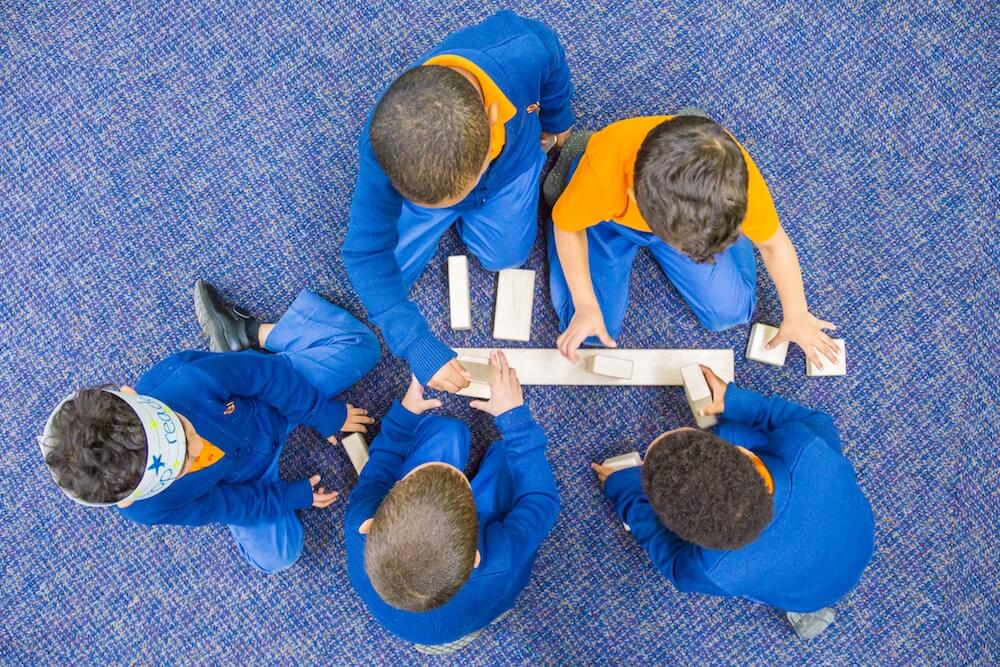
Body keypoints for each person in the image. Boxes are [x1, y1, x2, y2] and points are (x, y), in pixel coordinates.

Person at [38, 281, 381, 573]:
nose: (201, 449)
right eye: (182, 466)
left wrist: (321, 413)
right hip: (248, 478)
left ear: (132, 395)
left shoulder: (188, 378)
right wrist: (287, 497)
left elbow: (269, 377)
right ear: (129, 501)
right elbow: (224, 503)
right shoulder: (147, 506)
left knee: (361, 346)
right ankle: (233, 351)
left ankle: (247, 333)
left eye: (184, 432)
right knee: (278, 557)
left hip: (267, 404)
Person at [343, 10, 574, 394]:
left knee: (506, 259)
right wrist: (412, 339)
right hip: (443, 187)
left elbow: (553, 65)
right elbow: (363, 253)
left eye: (462, 192)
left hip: (509, 173)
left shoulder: (523, 47)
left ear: (492, 117)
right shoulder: (381, 147)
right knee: (385, 281)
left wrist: (558, 120)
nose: (459, 204)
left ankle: (457, 201)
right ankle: (435, 205)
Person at [592, 366, 874, 639]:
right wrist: (736, 401)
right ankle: (808, 607)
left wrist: (626, 491)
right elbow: (816, 419)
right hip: (858, 539)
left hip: (806, 595)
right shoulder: (806, 447)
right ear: (747, 455)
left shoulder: (712, 568)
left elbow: (672, 558)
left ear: (685, 534)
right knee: (735, 429)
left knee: (785, 585)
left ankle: (807, 612)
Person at [547, 113, 841, 371]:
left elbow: (775, 245)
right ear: (636, 198)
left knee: (731, 313)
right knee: (591, 334)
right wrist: (585, 305)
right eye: (687, 247)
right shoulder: (604, 173)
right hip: (609, 220)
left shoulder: (736, 188)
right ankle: (574, 163)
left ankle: (691, 128)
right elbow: (567, 228)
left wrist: (797, 313)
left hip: (673, 213)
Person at [345, 351, 559, 654]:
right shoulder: (496, 561)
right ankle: (459, 633)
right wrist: (515, 421)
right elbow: (541, 500)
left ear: (372, 525)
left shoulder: (360, 520)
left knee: (449, 431)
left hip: (400, 616)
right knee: (506, 458)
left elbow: (380, 469)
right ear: (475, 558)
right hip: (465, 613)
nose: (449, 467)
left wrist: (405, 415)